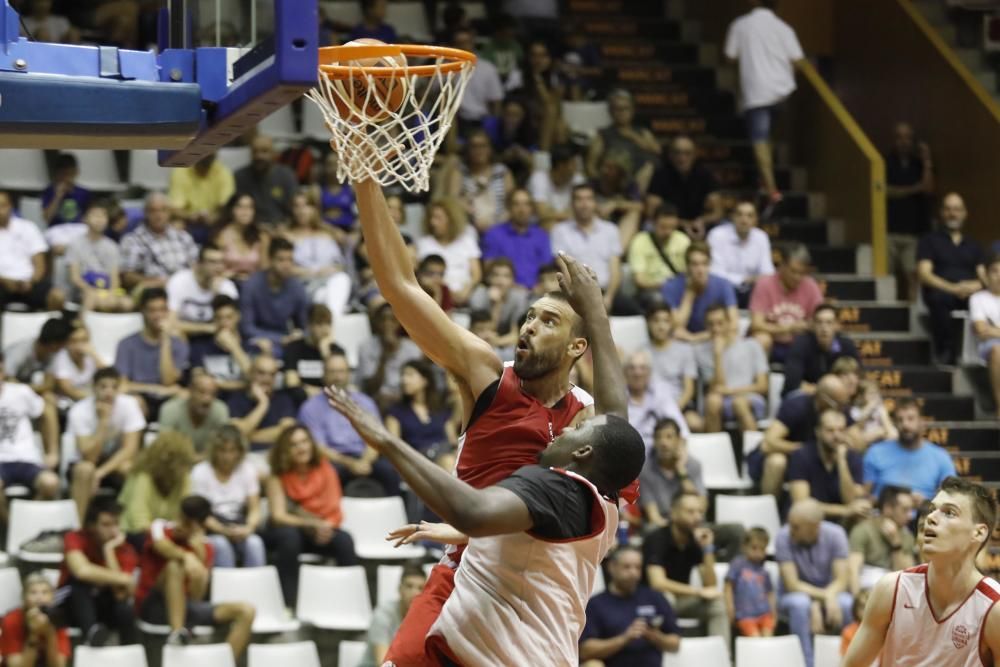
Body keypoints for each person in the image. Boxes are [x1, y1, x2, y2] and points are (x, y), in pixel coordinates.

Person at [323, 256, 643, 665]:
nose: (567, 429)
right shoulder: (604, 489)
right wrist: (596, 311)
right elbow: (616, 418)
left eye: (576, 431)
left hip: (514, 635)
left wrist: (387, 441)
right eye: (530, 316)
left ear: (584, 453)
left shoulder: (557, 487)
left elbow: (473, 511)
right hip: (489, 601)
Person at [351, 177, 598, 666]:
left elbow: (570, 518)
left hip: (537, 596)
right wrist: (365, 177)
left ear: (577, 348)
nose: (529, 325)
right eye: (529, 316)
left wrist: (464, 528)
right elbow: (400, 288)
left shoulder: (588, 417)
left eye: (549, 321)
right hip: (465, 580)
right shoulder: (487, 374)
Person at [843, 477, 1000, 666]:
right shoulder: (891, 589)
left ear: (978, 533)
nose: (931, 518)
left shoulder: (994, 609)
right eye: (933, 509)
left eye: (949, 513)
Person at [135, 495, 255, 656]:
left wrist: (199, 556)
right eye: (182, 519)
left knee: (246, 611)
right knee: (174, 566)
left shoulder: (205, 546)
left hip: (187, 607)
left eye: (188, 524)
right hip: (153, 605)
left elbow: (196, 597)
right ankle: (176, 633)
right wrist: (186, 556)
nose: (182, 525)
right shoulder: (160, 528)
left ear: (199, 525)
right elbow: (160, 546)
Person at [264, 424, 359, 606]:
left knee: (344, 540)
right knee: (289, 538)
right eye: (294, 444)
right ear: (285, 451)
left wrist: (325, 527)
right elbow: (279, 516)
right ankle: (289, 603)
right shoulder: (277, 475)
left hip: (320, 528)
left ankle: (351, 600)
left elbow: (334, 508)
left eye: (304, 441)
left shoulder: (326, 469)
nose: (301, 448)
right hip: (289, 529)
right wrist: (312, 525)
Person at [724, 0, 804, 208]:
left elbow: (730, 56)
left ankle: (771, 189)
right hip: (783, 91)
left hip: (757, 91)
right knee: (767, 137)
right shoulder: (785, 28)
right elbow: (798, 61)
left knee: (760, 140)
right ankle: (764, 179)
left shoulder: (741, 25)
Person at [299, 351, 400, 496]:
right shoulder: (310, 407)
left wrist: (365, 461)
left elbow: (377, 438)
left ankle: (400, 515)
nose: (337, 377)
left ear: (349, 374)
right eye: (332, 372)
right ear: (323, 375)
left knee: (390, 472)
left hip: (364, 457)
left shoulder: (366, 402)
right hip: (334, 460)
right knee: (329, 473)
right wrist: (349, 463)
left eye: (341, 371)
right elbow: (318, 448)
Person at [643, 492, 731, 651]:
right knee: (666, 598)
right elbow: (658, 583)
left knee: (717, 604)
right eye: (690, 512)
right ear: (673, 514)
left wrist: (707, 549)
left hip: (681, 599)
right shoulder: (656, 538)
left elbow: (710, 584)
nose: (697, 517)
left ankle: (722, 657)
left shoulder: (695, 541)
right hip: (651, 601)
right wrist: (698, 592)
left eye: (700, 512)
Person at [777, 499, 853, 667]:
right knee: (800, 603)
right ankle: (806, 663)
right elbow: (792, 584)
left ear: (815, 526)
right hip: (794, 596)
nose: (791, 530)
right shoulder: (783, 537)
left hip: (829, 593)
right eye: (790, 524)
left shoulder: (836, 534)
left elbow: (841, 579)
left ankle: (849, 661)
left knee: (848, 603)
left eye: (796, 527)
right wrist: (822, 598)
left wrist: (828, 596)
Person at [579, 546, 681, 667]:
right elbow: (585, 650)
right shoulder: (596, 604)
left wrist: (654, 636)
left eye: (637, 567)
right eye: (626, 567)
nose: (633, 572)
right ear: (611, 567)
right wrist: (624, 638)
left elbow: (675, 644)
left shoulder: (655, 598)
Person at [66, 367, 146, 521]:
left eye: (114, 387)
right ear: (93, 388)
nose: (109, 392)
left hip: (113, 463)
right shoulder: (79, 411)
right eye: (103, 387)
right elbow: (88, 456)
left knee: (129, 468)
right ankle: (77, 527)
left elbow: (130, 449)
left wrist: (100, 473)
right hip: (85, 463)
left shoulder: (129, 405)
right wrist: (103, 422)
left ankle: (130, 525)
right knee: (85, 470)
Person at [58, 496, 138, 646]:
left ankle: (132, 651)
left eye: (116, 524)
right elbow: (81, 570)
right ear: (91, 526)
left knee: (125, 609)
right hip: (69, 604)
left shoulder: (124, 548)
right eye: (106, 525)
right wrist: (122, 578)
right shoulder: (75, 537)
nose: (114, 531)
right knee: (80, 584)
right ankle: (92, 634)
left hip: (102, 605)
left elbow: (120, 594)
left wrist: (109, 551)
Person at [757, 374, 854, 497]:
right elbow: (768, 443)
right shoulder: (796, 406)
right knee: (777, 461)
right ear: (823, 398)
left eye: (844, 404)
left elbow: (854, 437)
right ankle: (770, 508)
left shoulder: (840, 409)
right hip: (792, 456)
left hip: (820, 458)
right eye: (838, 404)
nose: (842, 409)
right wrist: (803, 450)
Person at [917, 192, 986, 364]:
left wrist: (973, 286)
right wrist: (952, 288)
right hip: (941, 291)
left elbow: (985, 277)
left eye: (957, 209)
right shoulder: (929, 240)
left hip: (969, 293)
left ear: (964, 213)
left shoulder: (974, 244)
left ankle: (984, 353)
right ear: (941, 213)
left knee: (986, 300)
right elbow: (924, 274)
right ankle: (946, 352)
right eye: (948, 209)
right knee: (939, 300)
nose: (952, 213)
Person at [190, 425, 264, 568]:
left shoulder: (247, 469)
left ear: (239, 452)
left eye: (232, 451)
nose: (227, 456)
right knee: (221, 545)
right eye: (222, 451)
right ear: (214, 451)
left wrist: (248, 528)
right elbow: (200, 514)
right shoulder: (200, 472)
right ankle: (226, 589)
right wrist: (223, 531)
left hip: (239, 524)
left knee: (255, 543)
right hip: (211, 528)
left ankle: (255, 588)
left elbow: (255, 508)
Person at [0, 351, 59, 525]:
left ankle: (26, 526)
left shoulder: (20, 392)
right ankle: (13, 528)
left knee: (51, 483)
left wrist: (53, 451)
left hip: (27, 459)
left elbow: (47, 411)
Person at [862, 397, 956, 503]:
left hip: (924, 516)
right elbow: (864, 497)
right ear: (894, 423)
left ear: (921, 422)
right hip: (883, 516)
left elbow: (951, 498)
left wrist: (926, 503)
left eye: (910, 419)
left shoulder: (941, 457)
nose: (905, 425)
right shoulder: (875, 452)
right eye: (900, 420)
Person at [551, 184, 625, 313]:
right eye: (579, 199)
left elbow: (615, 269)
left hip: (606, 293)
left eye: (588, 199)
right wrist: (578, 297)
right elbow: (563, 268)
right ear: (572, 203)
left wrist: (609, 297)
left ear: (595, 203)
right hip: (576, 293)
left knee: (638, 311)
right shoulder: (560, 231)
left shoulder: (610, 230)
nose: (584, 204)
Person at [114, 287, 189, 415]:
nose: (158, 316)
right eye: (152, 310)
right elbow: (122, 385)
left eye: (162, 310)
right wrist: (154, 389)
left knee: (185, 397)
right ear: (143, 311)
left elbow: (168, 381)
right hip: (139, 396)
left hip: (167, 397)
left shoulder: (178, 344)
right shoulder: (126, 344)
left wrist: (165, 340)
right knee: (133, 402)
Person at [698, 303, 769, 433]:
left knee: (739, 403)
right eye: (711, 324)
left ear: (729, 323)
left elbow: (762, 386)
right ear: (706, 326)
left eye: (720, 323)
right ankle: (714, 451)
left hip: (750, 397)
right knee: (712, 401)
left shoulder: (752, 345)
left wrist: (731, 391)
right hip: (721, 401)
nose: (716, 329)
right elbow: (717, 388)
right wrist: (718, 355)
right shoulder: (703, 352)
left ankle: (754, 451)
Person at [118, 431, 196, 548]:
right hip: (136, 536)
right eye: (180, 464)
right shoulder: (143, 477)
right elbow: (138, 522)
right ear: (166, 463)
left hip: (168, 535)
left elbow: (185, 515)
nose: (184, 470)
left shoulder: (184, 478)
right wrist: (163, 536)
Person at [786, 408, 867, 520]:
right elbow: (801, 504)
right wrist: (844, 510)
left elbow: (851, 501)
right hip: (808, 521)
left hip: (840, 521)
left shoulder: (852, 457)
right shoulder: (801, 455)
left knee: (862, 517)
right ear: (818, 432)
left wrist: (842, 462)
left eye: (841, 430)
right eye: (830, 430)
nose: (837, 436)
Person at [885, 122, 934, 301]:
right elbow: (884, 191)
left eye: (907, 138)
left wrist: (927, 160)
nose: (903, 142)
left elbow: (928, 189)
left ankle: (912, 319)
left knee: (913, 278)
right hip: (888, 231)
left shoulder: (918, 164)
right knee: (886, 277)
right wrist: (914, 189)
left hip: (912, 232)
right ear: (893, 140)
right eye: (899, 137)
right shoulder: (884, 161)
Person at [749, 243, 824, 360]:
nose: (797, 277)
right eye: (793, 271)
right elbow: (756, 324)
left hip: (799, 343)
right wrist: (788, 328)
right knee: (761, 339)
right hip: (772, 341)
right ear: (782, 266)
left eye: (801, 273)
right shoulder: (764, 284)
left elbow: (821, 318)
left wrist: (809, 325)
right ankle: (760, 377)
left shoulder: (810, 285)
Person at [283, 190, 352, 317]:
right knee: (324, 298)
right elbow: (284, 268)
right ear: (292, 210)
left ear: (315, 209)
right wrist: (313, 272)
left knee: (342, 279)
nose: (302, 211)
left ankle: (331, 321)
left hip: (328, 282)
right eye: (297, 206)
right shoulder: (286, 236)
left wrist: (330, 270)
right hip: (302, 285)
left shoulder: (326, 234)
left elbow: (340, 264)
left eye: (307, 206)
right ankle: (333, 325)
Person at [239, 237, 310, 356]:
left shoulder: (297, 287)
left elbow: (306, 325)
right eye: (281, 260)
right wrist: (280, 339)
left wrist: (300, 334)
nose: (287, 265)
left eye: (290, 260)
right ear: (270, 260)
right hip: (256, 340)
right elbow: (247, 328)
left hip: (286, 341)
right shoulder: (251, 286)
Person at [646, 136, 723, 239]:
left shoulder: (705, 174)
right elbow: (651, 212)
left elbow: (717, 212)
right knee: (648, 226)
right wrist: (682, 223)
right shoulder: (660, 174)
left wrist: (701, 221)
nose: (682, 158)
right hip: (669, 224)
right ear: (670, 154)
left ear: (695, 154)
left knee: (722, 226)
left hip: (699, 225)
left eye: (687, 153)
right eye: (677, 153)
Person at [120, 192, 199, 292]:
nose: (158, 215)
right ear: (145, 213)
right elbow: (127, 276)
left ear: (169, 213)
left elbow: (196, 268)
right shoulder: (132, 240)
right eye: (153, 211)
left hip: (185, 290)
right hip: (154, 291)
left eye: (163, 210)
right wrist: (154, 282)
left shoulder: (183, 237)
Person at [661, 242, 738, 343]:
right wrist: (689, 294)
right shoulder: (671, 286)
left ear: (710, 265)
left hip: (711, 341)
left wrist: (695, 338)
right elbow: (674, 327)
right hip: (682, 343)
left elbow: (734, 324)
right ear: (687, 267)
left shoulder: (723, 285)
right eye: (695, 264)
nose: (700, 270)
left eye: (704, 264)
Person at [0, 190, 64, 311]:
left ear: (10, 206)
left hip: (28, 283)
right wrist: (5, 281)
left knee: (56, 296)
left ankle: (52, 329)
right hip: (2, 283)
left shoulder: (28, 228)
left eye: (2, 206)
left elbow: (40, 264)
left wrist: (31, 282)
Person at [65, 201, 132, 312]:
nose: (99, 220)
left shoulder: (112, 246)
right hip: (84, 290)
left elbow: (115, 277)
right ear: (85, 219)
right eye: (95, 215)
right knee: (91, 298)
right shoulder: (75, 244)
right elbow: (74, 277)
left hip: (106, 290)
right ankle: (81, 325)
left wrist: (111, 293)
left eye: (103, 216)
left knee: (128, 303)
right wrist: (89, 290)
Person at [847, 485, 915, 593]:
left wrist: (896, 543)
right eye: (905, 510)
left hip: (893, 591)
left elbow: (906, 577)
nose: (910, 516)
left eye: (911, 510)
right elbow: (853, 570)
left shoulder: (906, 536)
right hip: (865, 588)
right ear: (887, 508)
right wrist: (857, 602)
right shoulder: (863, 530)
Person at [481, 188, 553, 289]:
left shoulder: (541, 236)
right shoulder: (494, 234)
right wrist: (514, 287)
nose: (522, 209)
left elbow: (548, 270)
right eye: (516, 204)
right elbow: (488, 271)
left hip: (537, 292)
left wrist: (538, 288)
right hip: (505, 291)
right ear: (509, 207)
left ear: (532, 208)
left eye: (526, 204)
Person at [707, 200, 775, 307]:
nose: (744, 220)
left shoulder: (761, 237)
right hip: (723, 289)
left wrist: (754, 281)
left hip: (752, 290)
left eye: (750, 216)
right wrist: (745, 280)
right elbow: (715, 273)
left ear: (756, 220)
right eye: (740, 215)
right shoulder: (717, 235)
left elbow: (768, 272)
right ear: (733, 217)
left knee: (767, 287)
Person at [782, 304, 860, 396]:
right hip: (808, 398)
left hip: (840, 398)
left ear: (837, 325)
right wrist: (826, 392)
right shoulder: (801, 344)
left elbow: (859, 378)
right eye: (819, 322)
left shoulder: (847, 345)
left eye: (829, 323)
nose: (824, 328)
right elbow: (792, 383)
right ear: (813, 325)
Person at [585, 89, 660, 185]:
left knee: (649, 165)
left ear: (632, 110)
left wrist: (633, 136)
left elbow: (657, 151)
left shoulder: (642, 132)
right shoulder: (602, 135)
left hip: (637, 181)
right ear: (610, 112)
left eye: (625, 108)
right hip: (609, 183)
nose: (621, 113)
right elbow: (590, 165)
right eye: (617, 109)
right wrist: (600, 184)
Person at [415, 198, 481, 305]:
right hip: (435, 291)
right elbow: (421, 275)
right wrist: (446, 292)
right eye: (431, 217)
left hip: (465, 292)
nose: (433, 222)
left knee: (481, 296)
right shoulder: (424, 243)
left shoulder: (467, 241)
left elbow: (476, 274)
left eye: (438, 218)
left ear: (451, 219)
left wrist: (467, 289)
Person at [639, 418, 704, 529]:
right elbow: (653, 517)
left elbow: (701, 506)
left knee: (735, 530)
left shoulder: (693, 465)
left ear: (679, 440)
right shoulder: (646, 470)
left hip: (693, 523)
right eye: (658, 437)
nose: (663, 443)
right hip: (662, 527)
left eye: (669, 437)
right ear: (654, 442)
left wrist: (681, 471)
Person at [643, 304, 700, 430]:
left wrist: (672, 412)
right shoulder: (641, 353)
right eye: (656, 321)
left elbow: (689, 390)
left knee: (695, 423)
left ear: (671, 324)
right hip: (650, 406)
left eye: (666, 321)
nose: (661, 326)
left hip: (680, 404)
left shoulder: (685, 350)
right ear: (648, 323)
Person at [226, 355, 298, 454]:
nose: (267, 379)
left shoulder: (283, 399)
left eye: (272, 375)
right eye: (261, 373)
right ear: (251, 373)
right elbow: (235, 434)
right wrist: (263, 404)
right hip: (245, 456)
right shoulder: (236, 400)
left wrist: (248, 436)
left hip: (275, 456)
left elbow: (287, 433)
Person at [356, 303, 424, 408]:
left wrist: (399, 398)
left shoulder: (412, 350)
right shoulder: (366, 347)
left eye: (392, 319)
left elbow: (417, 385)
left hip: (404, 400)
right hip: (375, 401)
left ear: (399, 323)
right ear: (376, 323)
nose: (387, 324)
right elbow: (370, 388)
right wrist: (384, 355)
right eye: (382, 319)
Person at [165, 243, 239, 340]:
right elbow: (170, 321)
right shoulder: (179, 281)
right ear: (199, 264)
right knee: (174, 333)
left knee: (227, 335)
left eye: (221, 262)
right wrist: (205, 328)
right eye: (212, 262)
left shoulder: (226, 286)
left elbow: (231, 325)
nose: (218, 267)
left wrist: (216, 296)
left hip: (215, 335)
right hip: (187, 333)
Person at [360, 564, 428, 667]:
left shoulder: (426, 618)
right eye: (409, 586)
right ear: (400, 589)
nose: (414, 592)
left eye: (420, 588)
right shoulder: (383, 614)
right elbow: (382, 663)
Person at [385, 360, 456, 458]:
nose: (404, 380)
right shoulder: (396, 411)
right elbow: (393, 446)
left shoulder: (440, 408)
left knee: (450, 459)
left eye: (410, 375)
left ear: (424, 380)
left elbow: (452, 441)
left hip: (443, 453)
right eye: (402, 375)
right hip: (417, 460)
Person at [627, 204, 691, 308]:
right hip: (651, 291)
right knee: (660, 299)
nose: (668, 232)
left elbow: (689, 274)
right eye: (663, 227)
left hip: (679, 289)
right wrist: (665, 286)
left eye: (672, 228)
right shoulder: (639, 241)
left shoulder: (683, 240)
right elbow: (639, 281)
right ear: (653, 223)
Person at [188, 295, 256, 393]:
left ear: (238, 317)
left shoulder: (251, 347)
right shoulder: (200, 348)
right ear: (214, 320)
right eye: (219, 318)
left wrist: (234, 347)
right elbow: (199, 383)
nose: (224, 322)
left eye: (229, 317)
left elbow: (255, 379)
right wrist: (243, 385)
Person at [0, 573, 71, 666]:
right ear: (24, 598)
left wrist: (50, 635)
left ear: (52, 598)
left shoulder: (57, 619)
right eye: (33, 592)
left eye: (45, 592)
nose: (39, 598)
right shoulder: (12, 620)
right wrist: (34, 634)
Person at [624, 351, 689, 453]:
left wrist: (681, 451)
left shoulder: (660, 392)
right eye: (632, 368)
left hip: (658, 455)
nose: (637, 373)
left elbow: (680, 427)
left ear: (649, 372)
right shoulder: (617, 396)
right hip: (627, 453)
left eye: (642, 368)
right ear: (625, 372)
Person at [158, 371, 230, 456]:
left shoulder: (220, 410)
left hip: (208, 464)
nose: (207, 399)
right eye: (201, 392)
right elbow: (164, 447)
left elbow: (223, 447)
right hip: (175, 462)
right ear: (190, 391)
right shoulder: (170, 409)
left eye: (212, 394)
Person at [467, 258, 531, 350]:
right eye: (496, 275)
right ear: (488, 278)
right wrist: (496, 305)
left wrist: (497, 342)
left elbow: (516, 334)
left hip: (506, 344)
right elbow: (482, 332)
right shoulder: (478, 296)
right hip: (480, 343)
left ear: (512, 280)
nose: (500, 281)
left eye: (506, 276)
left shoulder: (519, 298)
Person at [233, 134, 298, 225]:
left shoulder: (286, 175)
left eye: (264, 151)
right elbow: (237, 210)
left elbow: (294, 208)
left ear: (274, 153)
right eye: (255, 151)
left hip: (281, 226)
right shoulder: (240, 176)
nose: (259, 156)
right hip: (251, 228)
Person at [725, 527, 777, 637]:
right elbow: (728, 586)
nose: (758, 553)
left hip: (764, 613)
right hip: (745, 615)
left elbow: (769, 593)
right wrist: (730, 608)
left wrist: (773, 612)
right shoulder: (737, 564)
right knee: (755, 640)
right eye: (754, 548)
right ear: (744, 547)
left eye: (762, 549)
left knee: (768, 640)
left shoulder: (764, 571)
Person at [452, 28, 504, 131]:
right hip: (455, 121)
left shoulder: (488, 68)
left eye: (466, 42)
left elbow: (496, 101)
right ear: (454, 45)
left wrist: (494, 126)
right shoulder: (446, 68)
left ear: (473, 43)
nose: (463, 46)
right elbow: (432, 94)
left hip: (482, 120)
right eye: (459, 43)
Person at [167, 152, 235, 230]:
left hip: (215, 222)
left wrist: (214, 217)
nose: (206, 153)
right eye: (203, 151)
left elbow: (227, 205)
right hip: (187, 221)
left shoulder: (224, 171)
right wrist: (190, 216)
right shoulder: (180, 171)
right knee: (176, 224)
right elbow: (175, 209)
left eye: (210, 150)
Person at [283, 304, 338, 397]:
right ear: (309, 325)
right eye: (319, 324)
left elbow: (338, 385)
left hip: (330, 403)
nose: (325, 329)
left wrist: (325, 354)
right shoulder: (294, 348)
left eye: (328, 323)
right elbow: (291, 384)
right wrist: (323, 393)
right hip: (300, 401)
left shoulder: (336, 351)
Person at [212, 193, 269, 284]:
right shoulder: (220, 235)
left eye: (249, 207)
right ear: (231, 210)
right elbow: (215, 266)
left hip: (254, 284)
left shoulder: (262, 236)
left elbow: (265, 269)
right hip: (228, 282)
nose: (245, 212)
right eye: (240, 207)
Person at [970, 252, 1000, 418]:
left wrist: (994, 329)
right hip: (988, 348)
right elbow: (982, 330)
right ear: (987, 275)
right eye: (995, 271)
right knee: (997, 350)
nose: (999, 276)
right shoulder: (978, 298)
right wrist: (991, 331)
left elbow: (989, 329)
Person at [528, 145, 585, 228]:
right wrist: (569, 214)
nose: (576, 167)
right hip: (539, 226)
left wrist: (552, 213)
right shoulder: (539, 179)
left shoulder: (578, 179)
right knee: (548, 223)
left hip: (570, 224)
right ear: (561, 166)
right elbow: (542, 212)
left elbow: (583, 208)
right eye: (573, 163)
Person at [51, 321, 105, 403]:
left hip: (90, 399)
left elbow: (109, 376)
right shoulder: (61, 357)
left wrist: (95, 356)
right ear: (67, 342)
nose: (79, 346)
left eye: (84, 340)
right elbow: (69, 390)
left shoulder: (90, 355)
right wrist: (97, 397)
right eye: (74, 341)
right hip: (67, 403)